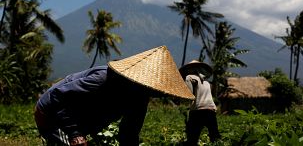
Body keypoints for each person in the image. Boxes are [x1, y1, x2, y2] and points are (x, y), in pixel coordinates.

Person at [34, 45, 194, 146]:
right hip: (51, 113)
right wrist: (75, 134)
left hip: (79, 121)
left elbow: (128, 133)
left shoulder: (140, 98)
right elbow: (59, 98)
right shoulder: (102, 79)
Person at [180, 60, 221, 145]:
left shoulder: (189, 77)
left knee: (192, 139)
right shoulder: (207, 82)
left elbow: (189, 95)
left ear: (190, 69)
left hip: (197, 111)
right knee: (214, 137)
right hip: (211, 110)